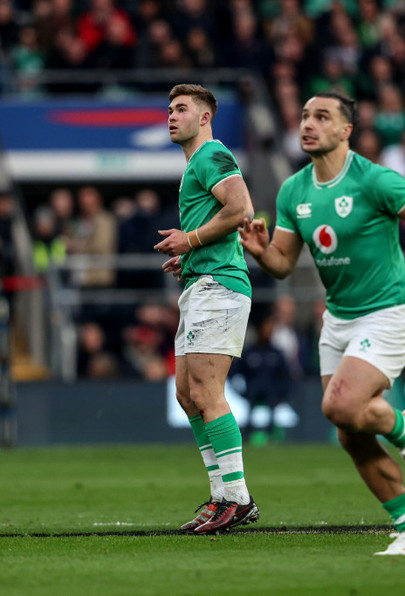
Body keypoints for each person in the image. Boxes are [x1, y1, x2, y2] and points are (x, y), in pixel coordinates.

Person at [239, 91, 405, 556]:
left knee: (338, 405)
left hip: (389, 311)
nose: (308, 124)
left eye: (322, 117)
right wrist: (260, 252)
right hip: (339, 320)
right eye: (305, 115)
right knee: (350, 434)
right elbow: (283, 264)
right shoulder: (294, 190)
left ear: (345, 131)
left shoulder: (374, 180)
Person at [154, 83, 259, 535]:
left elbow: (242, 209)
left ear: (205, 117)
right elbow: (220, 221)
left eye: (182, 109)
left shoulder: (212, 155)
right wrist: (190, 254)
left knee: (207, 391)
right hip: (202, 280)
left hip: (221, 286)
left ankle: (236, 498)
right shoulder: (195, 165)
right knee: (186, 394)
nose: (172, 116)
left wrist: (191, 240)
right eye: (170, 109)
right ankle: (221, 495)